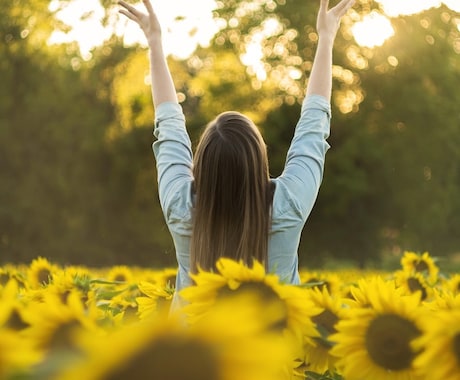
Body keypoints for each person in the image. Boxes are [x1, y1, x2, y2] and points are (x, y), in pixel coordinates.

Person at [118, 0, 355, 305]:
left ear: (200, 165)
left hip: (193, 352)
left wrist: (154, 42)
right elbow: (314, 124)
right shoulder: (288, 204)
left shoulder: (181, 206)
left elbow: (169, 127)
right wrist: (326, 37)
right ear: (259, 158)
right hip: (277, 351)